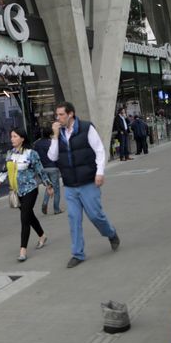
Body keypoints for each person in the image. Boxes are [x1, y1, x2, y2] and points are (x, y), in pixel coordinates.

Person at [48, 102, 120, 268]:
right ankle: (77, 253)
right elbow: (52, 157)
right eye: (57, 115)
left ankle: (111, 233)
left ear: (71, 114)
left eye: (61, 115)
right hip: (70, 185)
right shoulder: (59, 134)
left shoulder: (87, 128)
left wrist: (100, 172)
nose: (58, 118)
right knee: (74, 218)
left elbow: (100, 151)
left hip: (88, 181)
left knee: (96, 215)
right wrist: (55, 136)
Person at [0, 128, 53, 262]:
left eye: (15, 136)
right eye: (11, 136)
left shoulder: (31, 154)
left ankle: (23, 250)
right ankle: (42, 235)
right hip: (16, 192)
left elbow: (40, 171)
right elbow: (4, 172)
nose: (12, 139)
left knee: (24, 218)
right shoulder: (10, 154)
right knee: (29, 216)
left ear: (22, 138)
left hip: (30, 190)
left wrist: (48, 186)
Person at [34, 126, 63, 215]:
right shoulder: (51, 143)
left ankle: (45, 203)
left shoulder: (37, 144)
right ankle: (56, 209)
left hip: (42, 168)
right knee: (56, 189)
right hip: (53, 167)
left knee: (48, 186)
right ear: (50, 134)